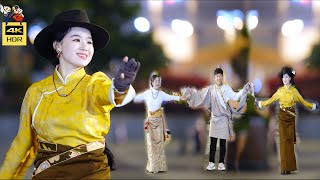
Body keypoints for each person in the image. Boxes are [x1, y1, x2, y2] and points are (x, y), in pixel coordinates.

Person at [0, 9, 140, 179]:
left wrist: (119, 87)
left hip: (92, 174)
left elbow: (111, 93)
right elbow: (23, 144)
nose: (85, 47)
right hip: (47, 174)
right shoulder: (36, 92)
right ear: (57, 45)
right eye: (76, 39)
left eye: (89, 42)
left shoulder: (95, 83)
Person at [181, 67, 250, 171]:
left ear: (222, 77)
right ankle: (211, 163)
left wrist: (244, 91)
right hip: (214, 119)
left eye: (220, 76)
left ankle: (221, 163)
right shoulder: (210, 89)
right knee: (212, 143)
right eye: (217, 76)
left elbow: (235, 97)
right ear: (214, 78)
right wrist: (190, 95)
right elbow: (200, 96)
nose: (218, 78)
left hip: (223, 120)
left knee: (223, 144)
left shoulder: (227, 89)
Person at [256, 66, 318, 175]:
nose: (285, 79)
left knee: (290, 144)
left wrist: (313, 106)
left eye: (287, 77)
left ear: (290, 78)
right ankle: (284, 166)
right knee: (282, 144)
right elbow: (271, 100)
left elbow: (304, 102)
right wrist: (261, 104)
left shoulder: (294, 91)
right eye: (283, 77)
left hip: (291, 119)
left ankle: (291, 167)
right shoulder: (279, 91)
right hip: (281, 118)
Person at [133, 71, 181, 173]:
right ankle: (152, 167)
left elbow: (172, 97)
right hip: (150, 122)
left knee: (159, 146)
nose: (157, 83)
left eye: (159, 81)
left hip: (159, 122)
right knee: (151, 145)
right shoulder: (147, 93)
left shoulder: (162, 94)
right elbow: (136, 98)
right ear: (151, 82)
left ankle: (160, 167)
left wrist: (181, 97)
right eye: (155, 81)